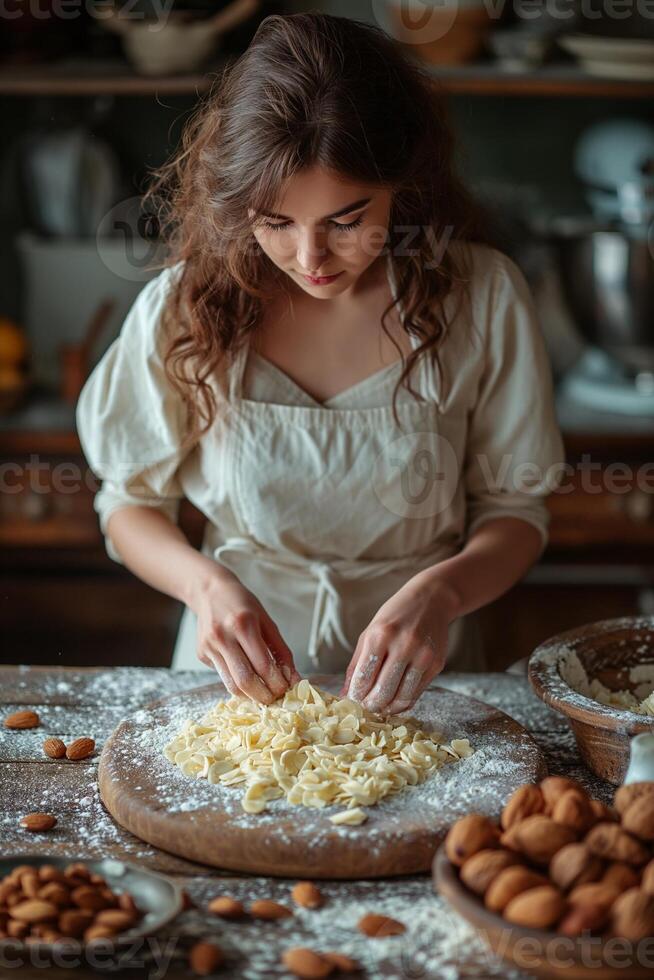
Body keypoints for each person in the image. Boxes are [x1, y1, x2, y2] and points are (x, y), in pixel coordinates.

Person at [76, 12, 565, 715]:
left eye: (344, 220)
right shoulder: (187, 308)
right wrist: (205, 588)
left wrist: (444, 592)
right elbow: (128, 504)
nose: (310, 258)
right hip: (235, 689)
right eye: (275, 223)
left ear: (404, 182)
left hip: (432, 682)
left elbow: (516, 510)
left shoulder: (481, 298)